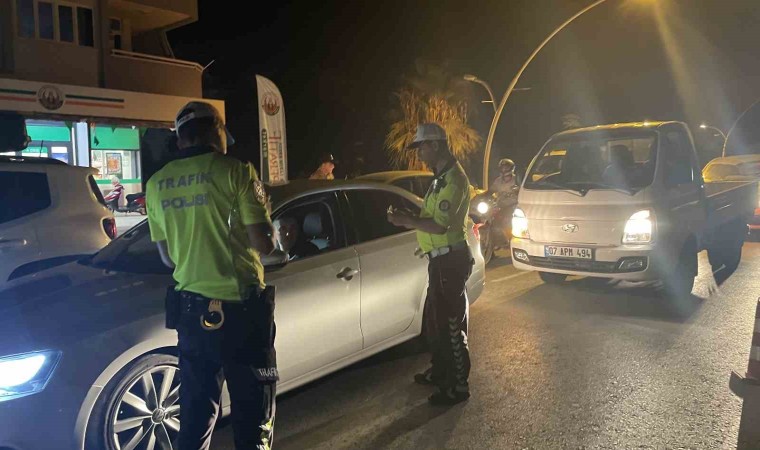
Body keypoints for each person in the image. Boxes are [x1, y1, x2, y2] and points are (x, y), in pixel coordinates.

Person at [146, 101, 278, 450]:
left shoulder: (157, 184)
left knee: (195, 414)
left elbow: (167, 258)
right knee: (255, 410)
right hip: (244, 314)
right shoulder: (237, 171)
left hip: (192, 316)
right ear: (217, 131)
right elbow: (264, 244)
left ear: (181, 139)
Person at [387, 122, 473, 406]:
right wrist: (410, 216)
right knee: (437, 324)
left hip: (450, 261)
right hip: (439, 261)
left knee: (451, 326)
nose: (419, 153)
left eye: (421, 147)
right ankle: (440, 372)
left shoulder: (454, 181)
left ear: (435, 145)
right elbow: (431, 216)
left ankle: (458, 385)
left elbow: (439, 226)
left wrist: (406, 220)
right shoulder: (440, 178)